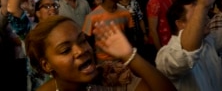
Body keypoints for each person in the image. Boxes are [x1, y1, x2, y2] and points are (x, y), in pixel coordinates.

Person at [25, 15, 177, 91]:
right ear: (46, 65)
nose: (81, 50)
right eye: (65, 50)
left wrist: (130, 56)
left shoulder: (110, 77)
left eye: (82, 40)